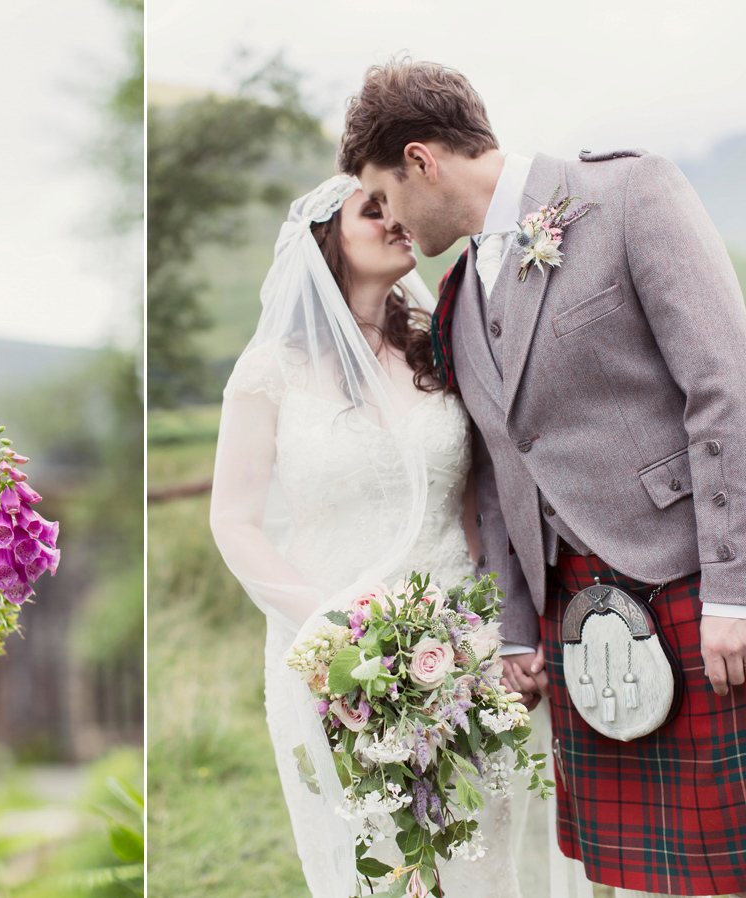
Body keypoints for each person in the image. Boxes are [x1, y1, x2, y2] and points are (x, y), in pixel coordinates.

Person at [338, 58, 746, 898]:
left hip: (691, 588)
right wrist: (519, 630)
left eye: (386, 194)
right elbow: (497, 468)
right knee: (630, 877)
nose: (392, 220)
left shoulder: (631, 195)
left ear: (423, 160)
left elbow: (725, 393)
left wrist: (733, 593)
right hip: (576, 619)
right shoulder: (453, 297)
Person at [209, 173, 542, 898]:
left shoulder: (437, 345)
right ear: (329, 238)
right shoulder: (271, 372)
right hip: (333, 652)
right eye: (373, 210)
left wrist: (502, 628)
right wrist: (332, 627)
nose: (396, 220)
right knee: (377, 860)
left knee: (481, 850)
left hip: (458, 644)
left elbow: (475, 500)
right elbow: (233, 521)